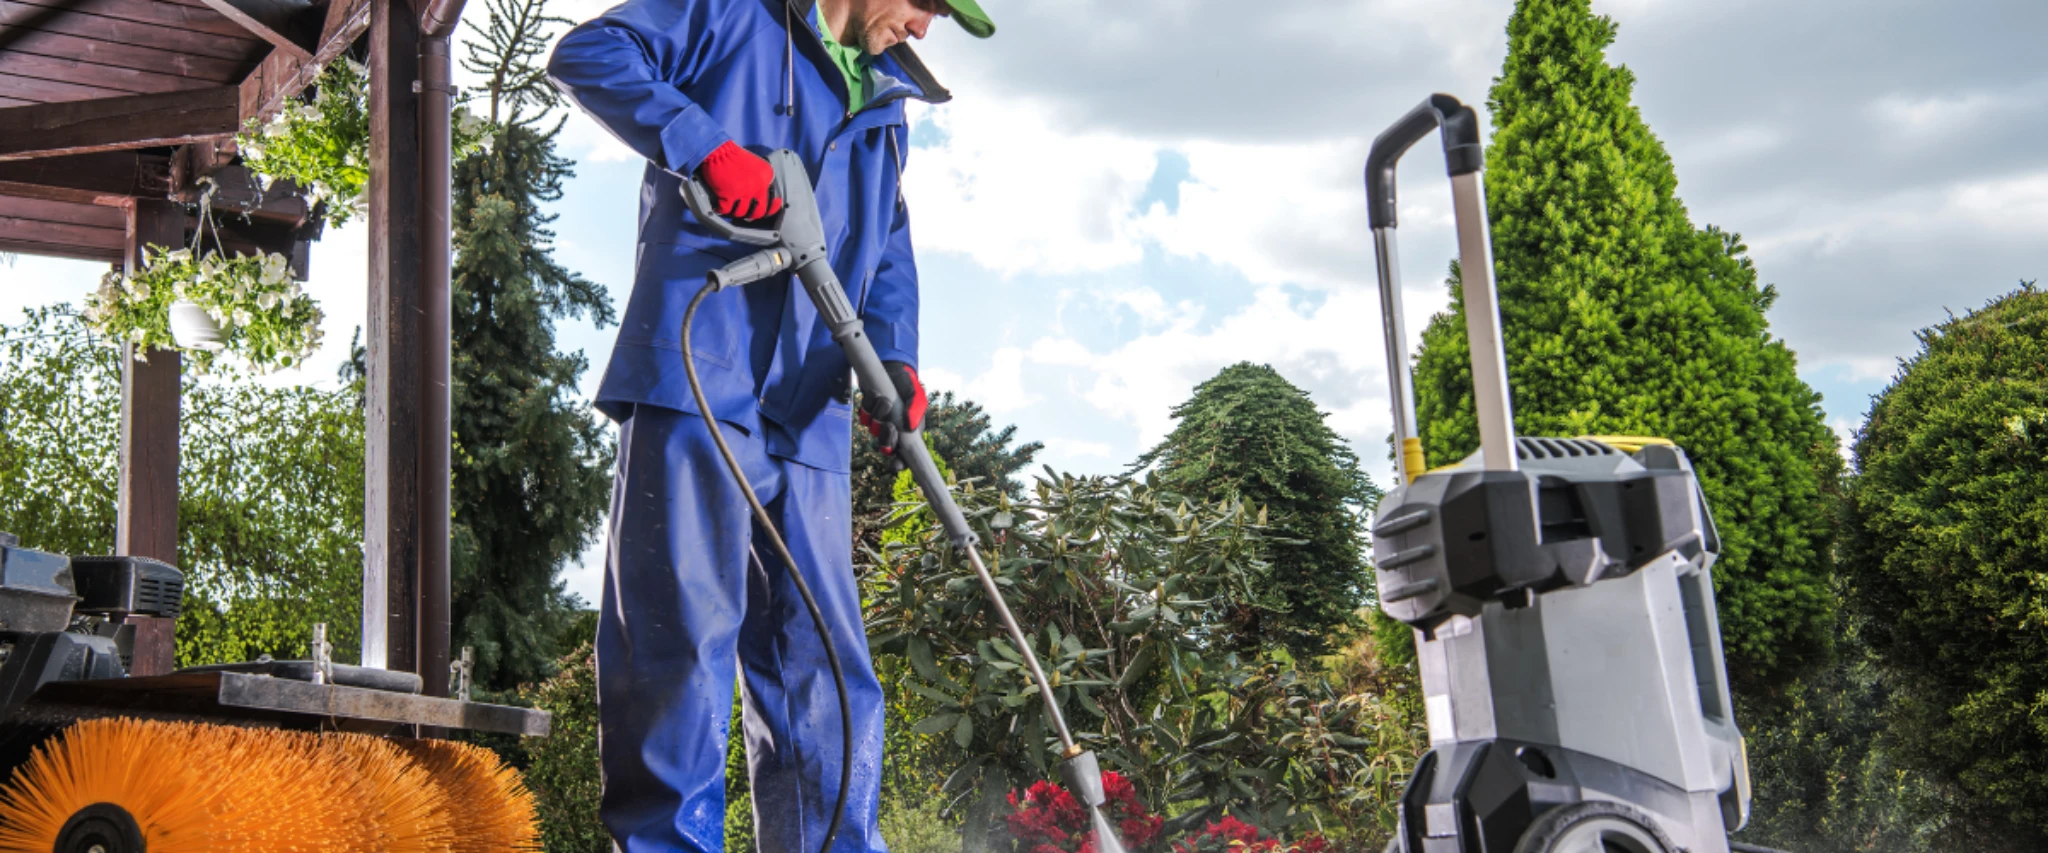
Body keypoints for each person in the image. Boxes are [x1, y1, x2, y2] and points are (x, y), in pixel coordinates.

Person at [547, 0, 994, 850]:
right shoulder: (730, 15)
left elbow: (887, 232)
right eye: (926, 3)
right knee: (681, 648)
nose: (926, 29)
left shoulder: (886, 97)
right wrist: (705, 146)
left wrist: (894, 357)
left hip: (811, 406)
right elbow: (589, 53)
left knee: (825, 670)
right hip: (702, 371)